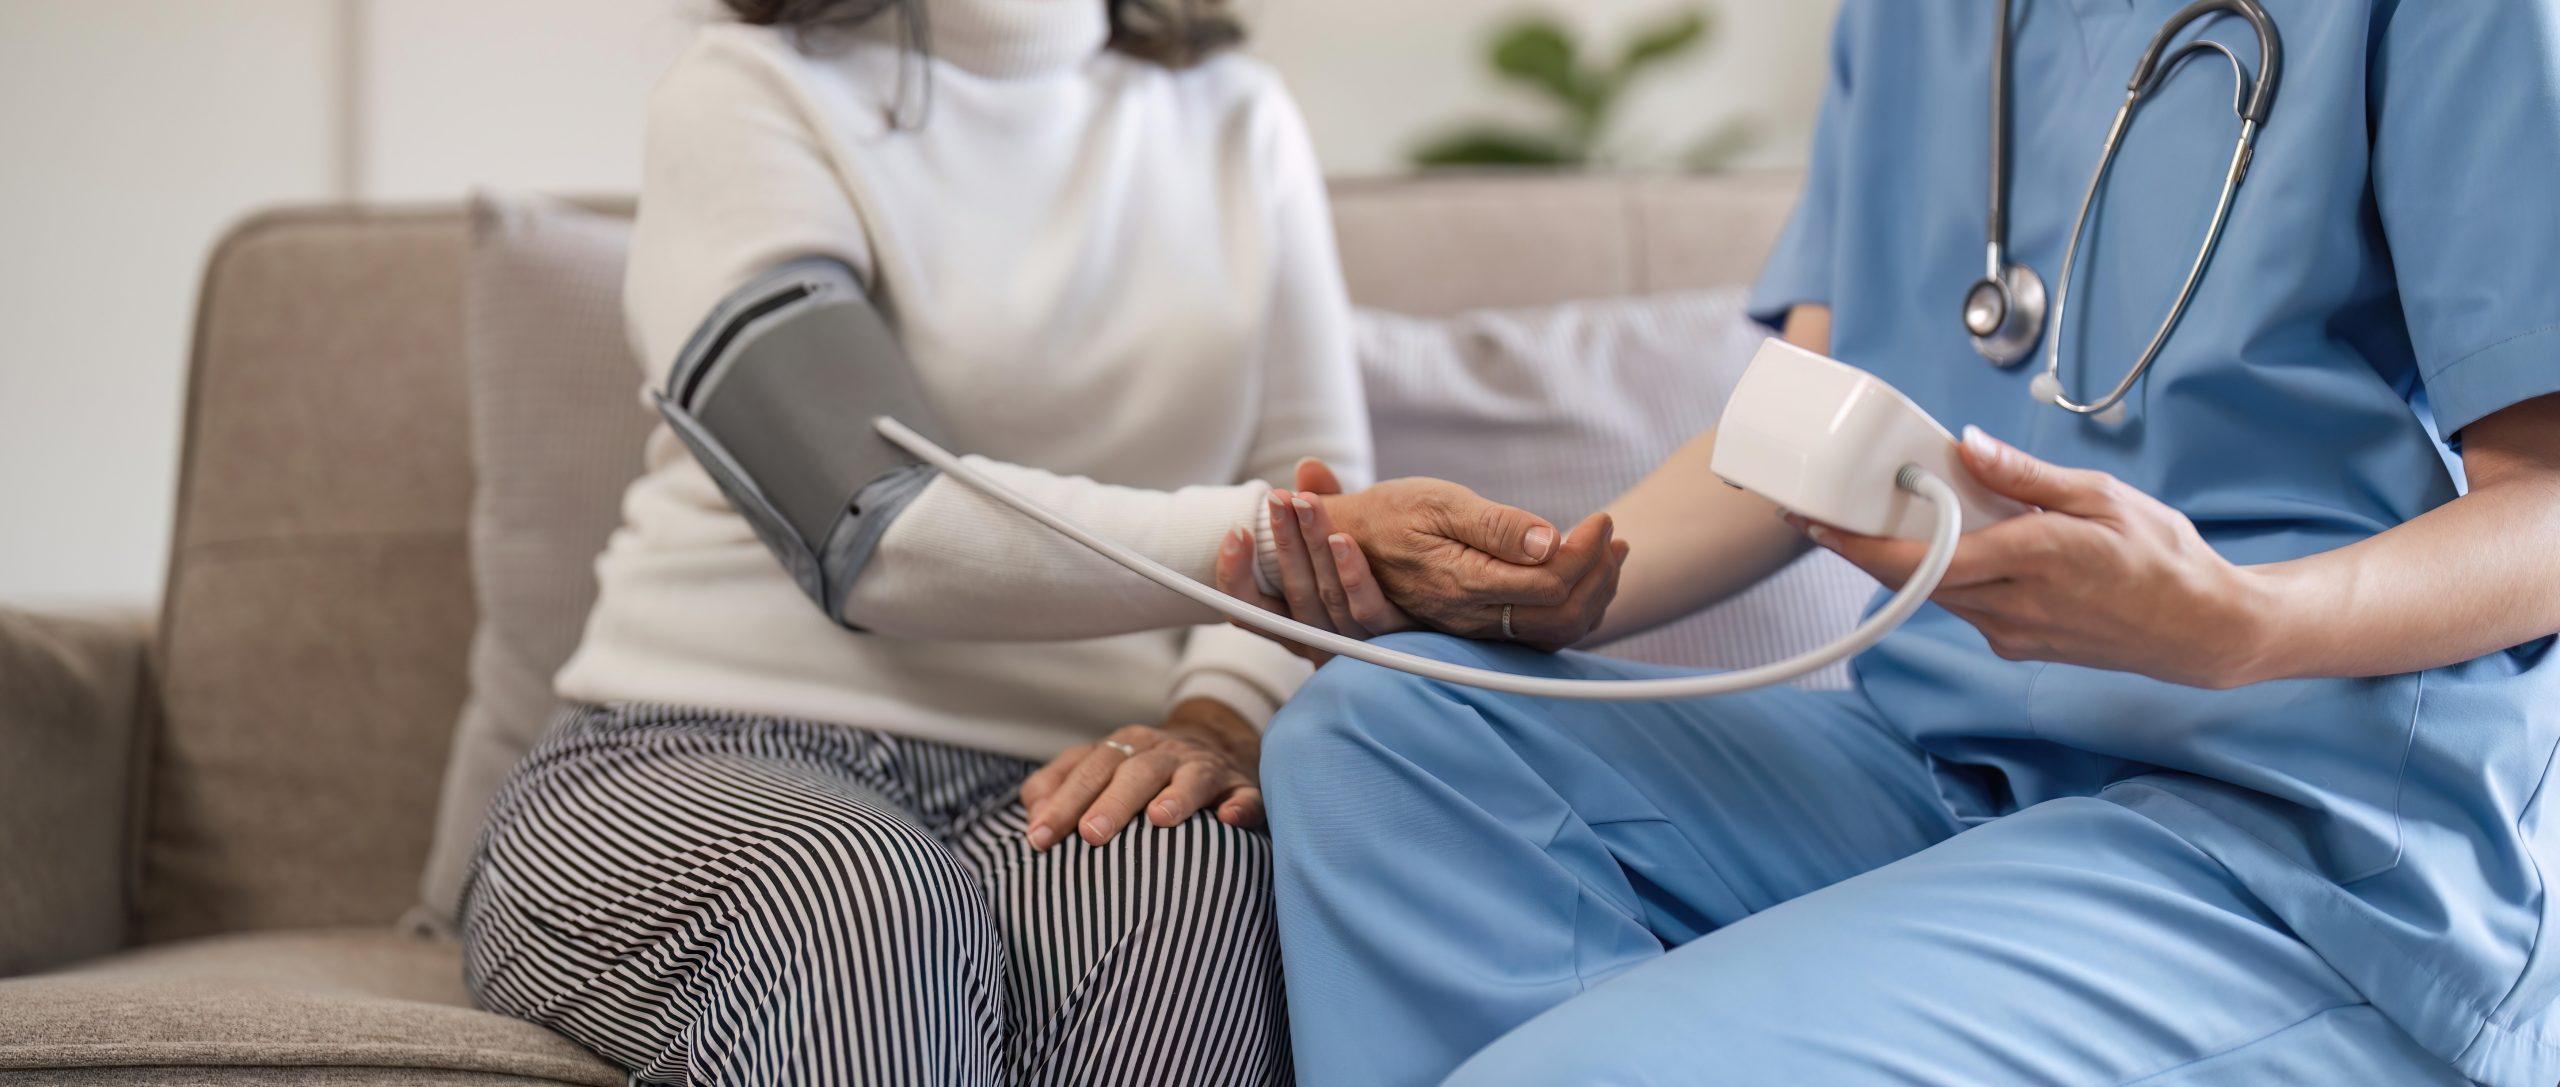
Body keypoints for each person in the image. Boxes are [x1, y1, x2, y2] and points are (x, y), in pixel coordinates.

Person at [1220, 1, 2560, 1083]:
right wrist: (1552, 582)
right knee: (1381, 735)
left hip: (2295, 832)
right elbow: (1804, 428)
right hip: (1944, 767)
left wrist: (2235, 620)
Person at [452, 1, 1613, 1083]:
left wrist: (1214, 715)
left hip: (1067, 774)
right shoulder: (745, 92)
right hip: (689, 751)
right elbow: (870, 525)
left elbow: (1313, 478)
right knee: (857, 901)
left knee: (1192, 887)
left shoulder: (1235, 113)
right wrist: (1262, 536)